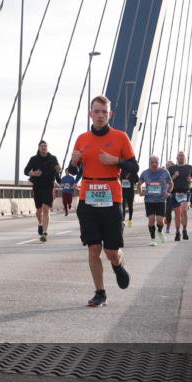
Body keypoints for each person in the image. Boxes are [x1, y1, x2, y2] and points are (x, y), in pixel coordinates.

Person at [67, 95, 138, 308]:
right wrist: (73, 162)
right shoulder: (82, 138)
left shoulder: (121, 137)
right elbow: (72, 171)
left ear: (110, 114)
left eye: (104, 112)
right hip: (88, 196)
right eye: (96, 111)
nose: (100, 115)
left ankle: (118, 265)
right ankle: (100, 292)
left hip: (112, 198)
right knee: (93, 248)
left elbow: (134, 168)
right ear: (91, 113)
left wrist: (116, 160)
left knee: (111, 252)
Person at [24, 140, 61, 242]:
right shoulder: (34, 159)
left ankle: (44, 232)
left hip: (48, 186)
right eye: (42, 146)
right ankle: (40, 224)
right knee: (39, 210)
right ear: (39, 148)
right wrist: (33, 173)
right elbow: (26, 171)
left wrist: (59, 171)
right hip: (37, 186)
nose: (44, 147)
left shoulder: (53, 158)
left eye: (45, 146)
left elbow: (57, 170)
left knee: (46, 208)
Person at [139, 155, 172, 246]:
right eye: (152, 162)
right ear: (149, 163)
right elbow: (139, 183)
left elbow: (171, 183)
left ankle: (160, 231)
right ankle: (153, 239)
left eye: (156, 162)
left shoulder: (164, 172)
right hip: (149, 200)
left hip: (161, 200)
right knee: (151, 220)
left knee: (160, 220)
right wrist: (140, 192)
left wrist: (168, 192)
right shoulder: (145, 173)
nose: (154, 164)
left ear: (159, 163)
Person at [167, 151, 192, 241]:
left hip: (185, 192)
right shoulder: (172, 168)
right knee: (177, 214)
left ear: (185, 157)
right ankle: (177, 232)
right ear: (177, 158)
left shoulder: (189, 167)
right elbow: (167, 181)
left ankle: (184, 230)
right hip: (175, 193)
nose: (181, 157)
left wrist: (191, 180)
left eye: (183, 156)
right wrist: (174, 176)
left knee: (184, 212)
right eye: (180, 156)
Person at [162, 160, 175, 234]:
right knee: (162, 211)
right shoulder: (163, 172)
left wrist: (169, 191)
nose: (167, 166)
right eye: (166, 165)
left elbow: (172, 182)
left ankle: (168, 227)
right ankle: (163, 220)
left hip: (171, 194)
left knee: (168, 212)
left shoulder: (175, 172)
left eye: (169, 165)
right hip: (162, 194)